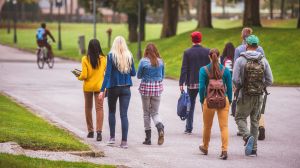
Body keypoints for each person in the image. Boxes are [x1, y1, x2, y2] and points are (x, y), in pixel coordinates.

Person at [233, 35, 273, 156]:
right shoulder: (263, 60)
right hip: (258, 95)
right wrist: (261, 86)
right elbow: (270, 80)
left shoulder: (240, 60)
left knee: (239, 118)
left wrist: (240, 86)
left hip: (244, 94)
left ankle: (247, 136)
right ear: (257, 46)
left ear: (246, 45)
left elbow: (235, 79)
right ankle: (253, 150)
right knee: (255, 121)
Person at [99, 36, 136, 149]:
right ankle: (124, 142)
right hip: (126, 88)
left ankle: (112, 138)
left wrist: (102, 90)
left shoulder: (110, 56)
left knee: (112, 112)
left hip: (113, 88)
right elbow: (133, 73)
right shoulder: (129, 56)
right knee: (124, 115)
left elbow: (108, 75)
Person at [198, 49, 232, 160]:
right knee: (224, 127)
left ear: (209, 56)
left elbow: (202, 87)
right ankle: (224, 150)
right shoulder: (225, 70)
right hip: (223, 100)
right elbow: (230, 87)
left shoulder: (203, 70)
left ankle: (205, 146)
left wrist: (202, 100)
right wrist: (229, 100)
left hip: (209, 101)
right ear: (219, 56)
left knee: (207, 126)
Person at [234, 27, 267, 140]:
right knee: (256, 116)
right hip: (258, 89)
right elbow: (266, 71)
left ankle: (245, 133)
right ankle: (254, 144)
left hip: (245, 90)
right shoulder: (261, 50)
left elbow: (236, 75)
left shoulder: (239, 50)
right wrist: (262, 85)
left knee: (240, 115)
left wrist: (237, 87)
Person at [179, 31, 210, 134]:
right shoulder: (207, 51)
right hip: (204, 83)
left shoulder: (187, 52)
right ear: (200, 39)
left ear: (192, 39)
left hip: (191, 82)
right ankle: (206, 128)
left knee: (190, 105)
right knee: (204, 106)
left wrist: (181, 82)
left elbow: (184, 68)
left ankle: (188, 128)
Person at [76, 39, 106, 141]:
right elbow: (106, 73)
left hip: (88, 87)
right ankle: (99, 132)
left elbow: (84, 75)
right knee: (99, 108)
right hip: (100, 87)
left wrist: (78, 76)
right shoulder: (103, 59)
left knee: (88, 108)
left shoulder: (85, 59)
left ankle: (90, 131)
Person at [137, 43, 165, 145]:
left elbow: (139, 76)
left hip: (145, 89)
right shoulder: (160, 62)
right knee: (155, 112)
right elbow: (162, 77)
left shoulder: (143, 61)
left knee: (146, 113)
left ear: (146, 51)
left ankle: (148, 139)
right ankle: (160, 127)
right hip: (157, 89)